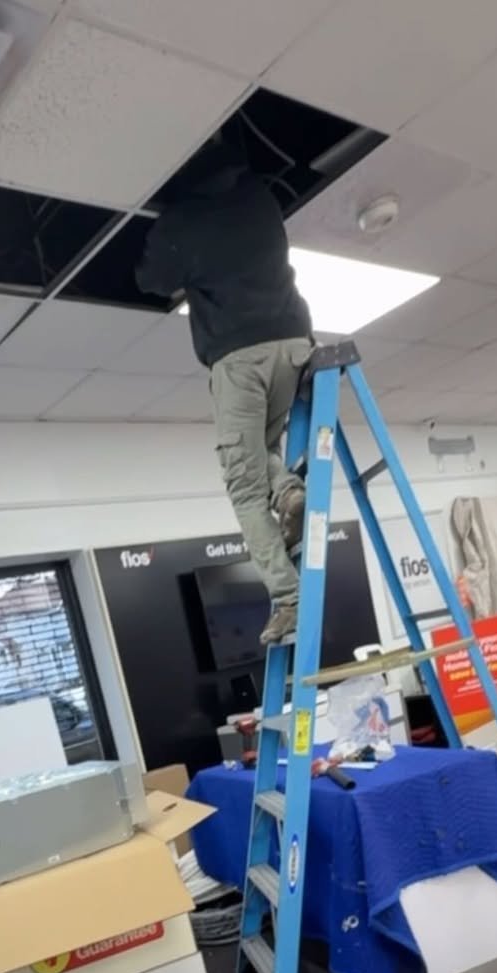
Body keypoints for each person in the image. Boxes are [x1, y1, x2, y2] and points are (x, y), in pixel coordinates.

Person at [136, 139, 314, 645]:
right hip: (294, 343)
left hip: (238, 357)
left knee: (242, 484)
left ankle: (289, 600)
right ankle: (291, 493)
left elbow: (150, 278)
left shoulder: (182, 220)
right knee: (263, 453)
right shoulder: (259, 197)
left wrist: (165, 231)